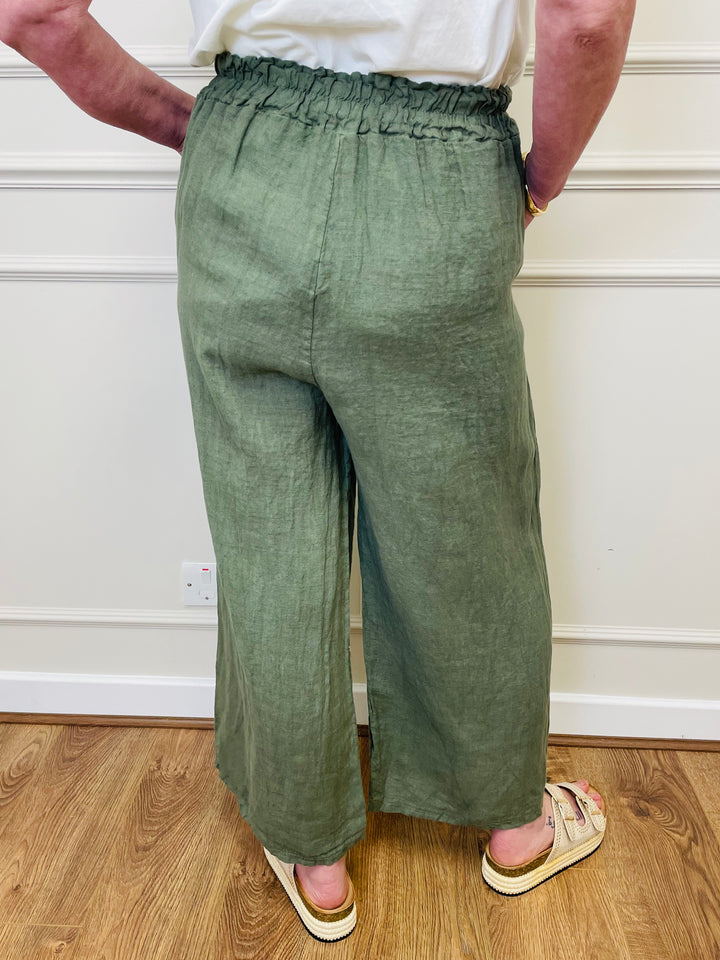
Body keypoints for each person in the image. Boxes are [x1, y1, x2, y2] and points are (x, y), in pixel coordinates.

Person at [1, 0, 635, 942]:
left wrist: (204, 128)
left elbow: (35, 14)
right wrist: (539, 181)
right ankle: (516, 828)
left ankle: (313, 856)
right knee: (465, 522)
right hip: (439, 173)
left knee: (268, 534)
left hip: (245, 161)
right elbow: (585, 19)